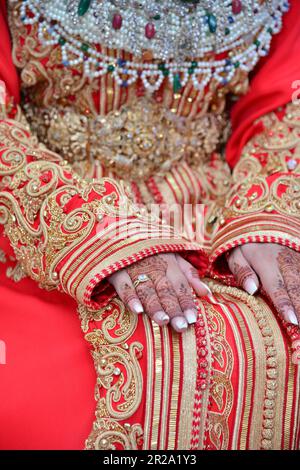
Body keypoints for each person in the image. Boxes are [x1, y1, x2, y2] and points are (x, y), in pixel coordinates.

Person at [0, 0, 299, 450]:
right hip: (47, 218)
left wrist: (270, 218)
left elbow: (283, 109)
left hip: (223, 214)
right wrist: (97, 234)